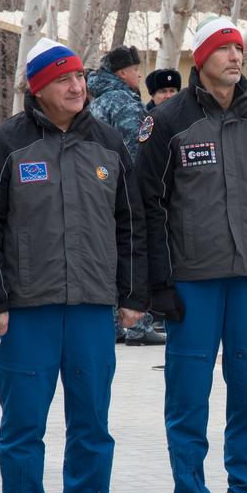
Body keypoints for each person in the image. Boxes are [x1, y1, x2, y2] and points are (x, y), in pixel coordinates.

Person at [0, 37, 146, 493]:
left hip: (92, 307)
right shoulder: (4, 144)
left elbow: (131, 224)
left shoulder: (109, 143)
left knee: (91, 419)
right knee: (24, 420)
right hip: (28, 310)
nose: (76, 87)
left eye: (79, 78)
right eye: (63, 80)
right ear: (38, 88)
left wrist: (132, 295)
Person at [137, 16, 247, 493]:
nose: (235, 57)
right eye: (224, 49)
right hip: (193, 283)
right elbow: (148, 207)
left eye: (238, 49)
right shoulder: (169, 122)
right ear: (200, 59)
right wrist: (158, 283)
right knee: (188, 397)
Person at [89, 45, 165, 347]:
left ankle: (115, 323)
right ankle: (138, 325)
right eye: (135, 69)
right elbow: (138, 151)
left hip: (100, 191)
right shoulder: (124, 102)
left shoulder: (98, 101)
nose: (138, 74)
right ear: (122, 72)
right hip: (126, 191)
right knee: (133, 253)